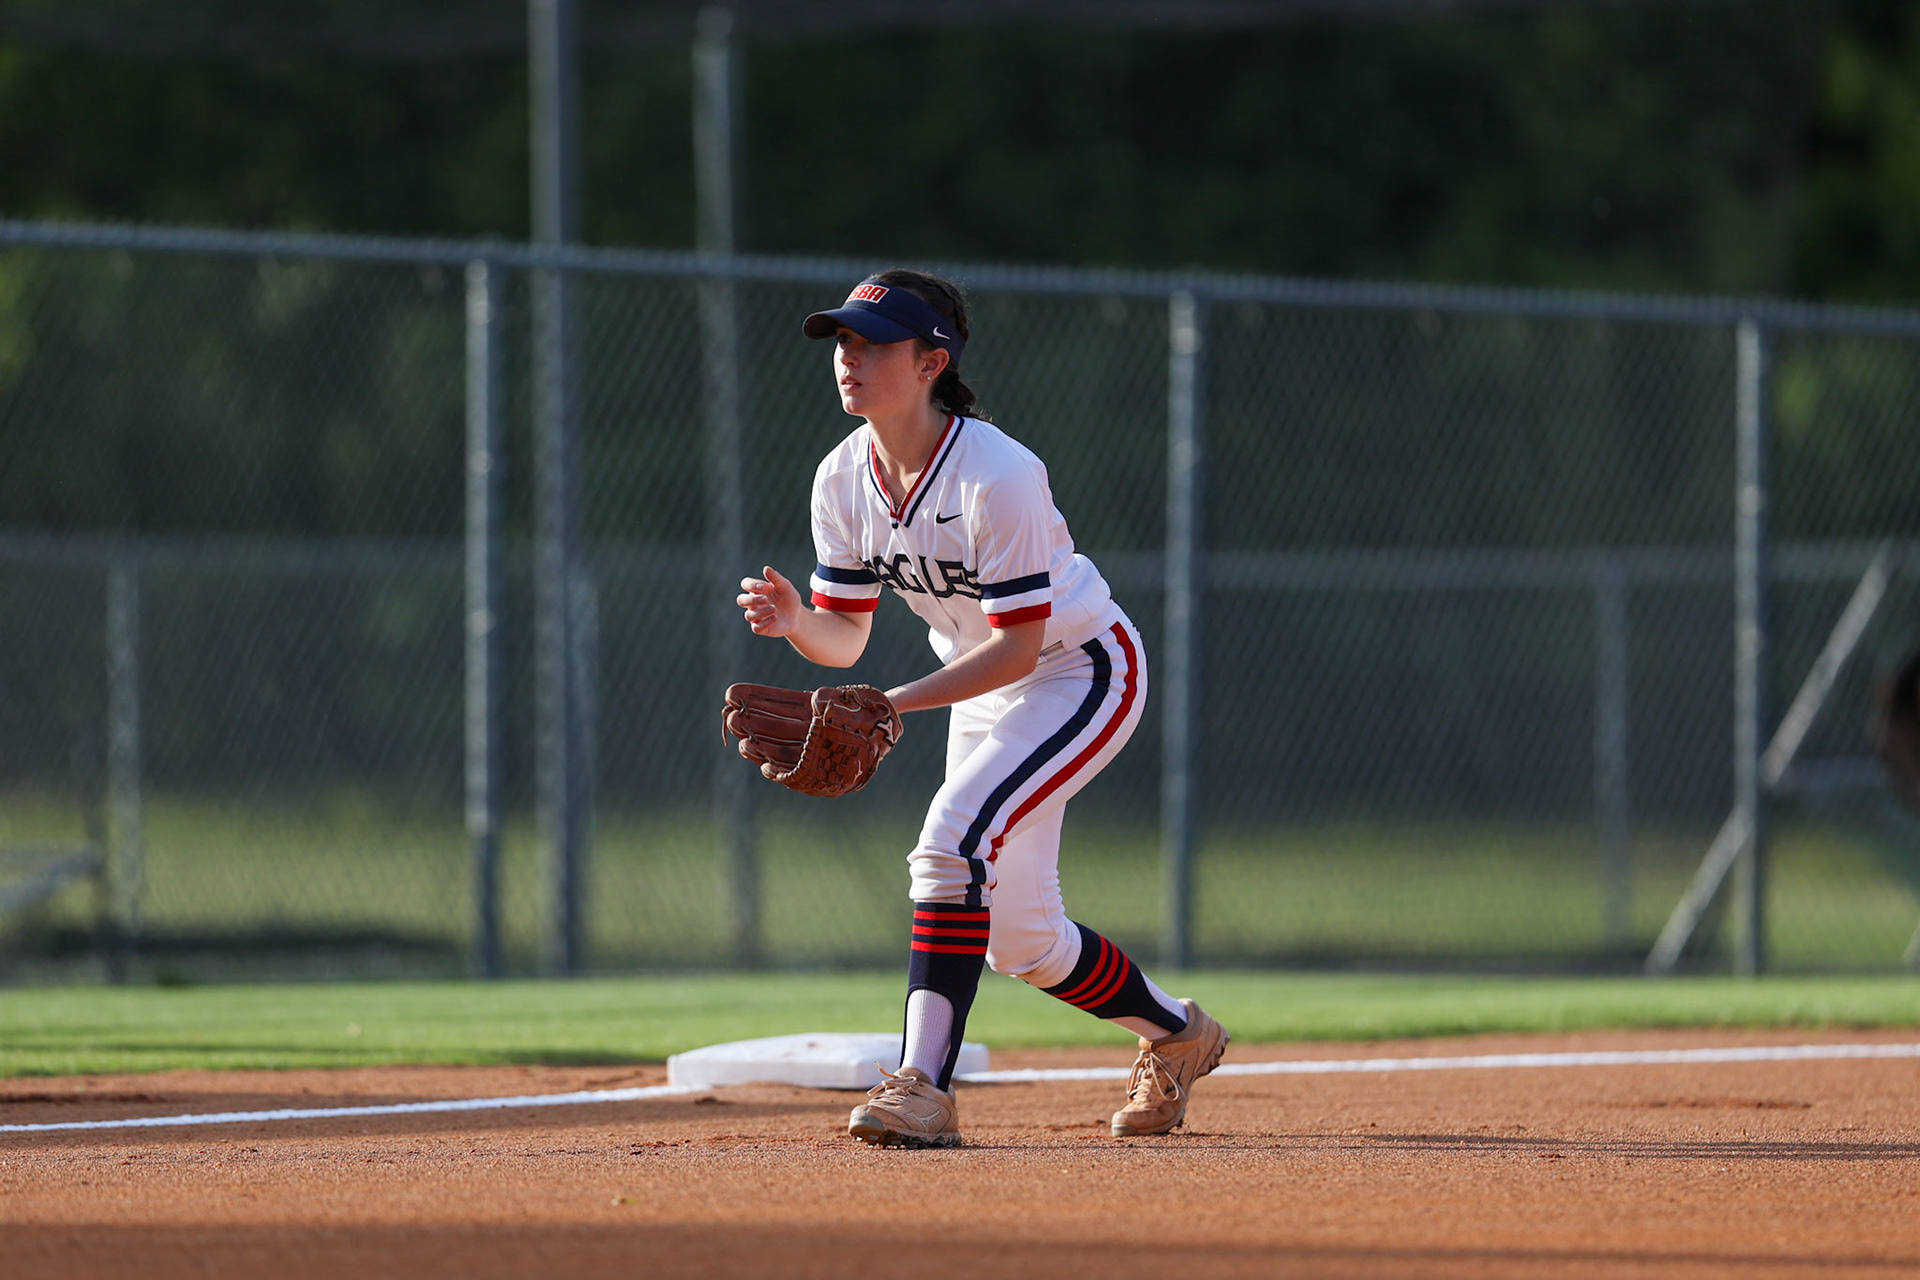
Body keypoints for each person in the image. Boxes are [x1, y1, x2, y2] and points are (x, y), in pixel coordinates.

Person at [735, 269, 1229, 1147]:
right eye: (842, 342)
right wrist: (799, 625)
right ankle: (1179, 1034)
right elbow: (846, 636)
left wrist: (888, 705)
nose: (849, 359)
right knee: (1023, 940)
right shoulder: (842, 478)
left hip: (1080, 673)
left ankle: (921, 1085)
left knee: (949, 840)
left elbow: (1018, 647)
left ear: (932, 363)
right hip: (981, 681)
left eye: (872, 344)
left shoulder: (996, 473)